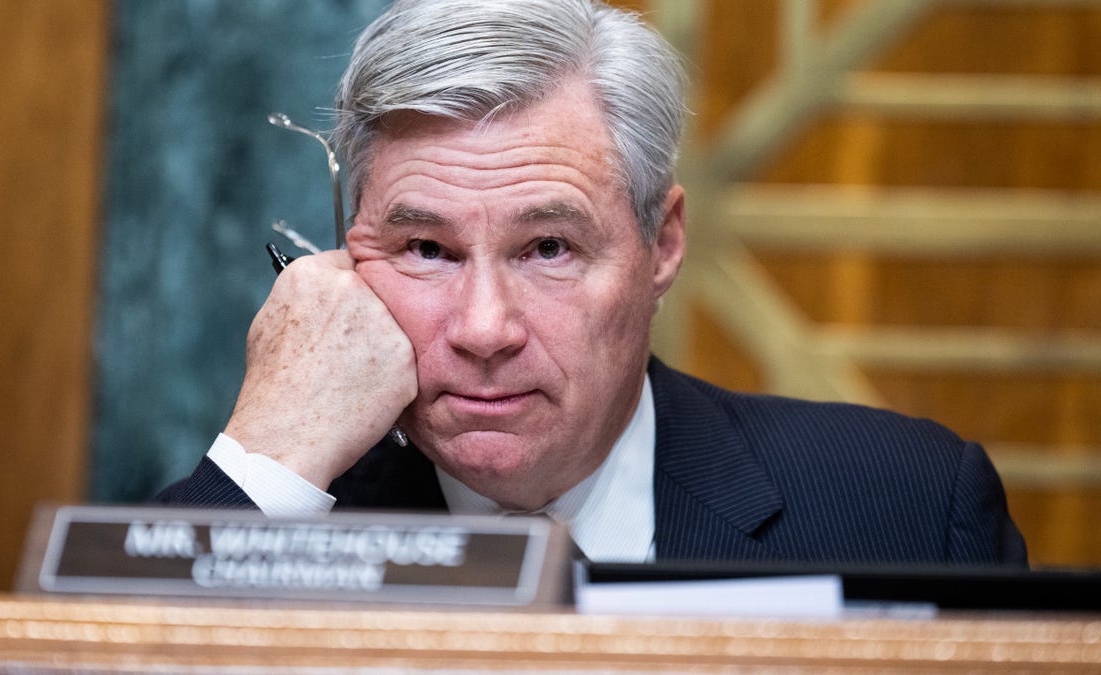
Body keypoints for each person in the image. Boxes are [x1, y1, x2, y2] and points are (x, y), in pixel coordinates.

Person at [160, 0, 1027, 566]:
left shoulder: (910, 509)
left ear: (663, 244)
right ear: (348, 261)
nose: (484, 328)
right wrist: (266, 466)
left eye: (549, 247)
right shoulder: (271, 519)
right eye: (427, 248)